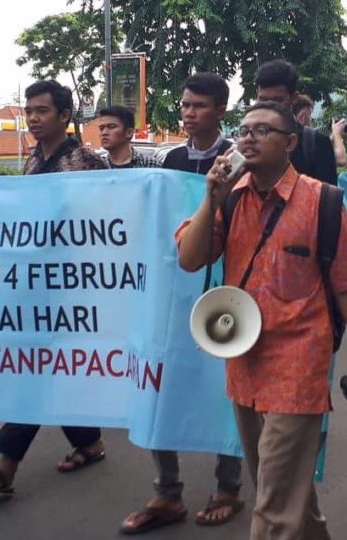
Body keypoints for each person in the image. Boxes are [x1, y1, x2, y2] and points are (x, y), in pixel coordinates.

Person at [176, 100, 347, 540]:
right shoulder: (229, 198)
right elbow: (190, 258)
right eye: (244, 130)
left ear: (290, 142)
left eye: (262, 130)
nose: (248, 137)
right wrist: (209, 197)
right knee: (284, 489)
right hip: (245, 363)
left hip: (299, 366)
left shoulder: (321, 202)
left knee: (271, 506)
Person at [0, 80, 107, 494]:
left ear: (65, 116)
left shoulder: (86, 163)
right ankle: (90, 442)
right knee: (51, 369)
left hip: (74, 291)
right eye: (29, 110)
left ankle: (6, 464)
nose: (32, 118)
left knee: (38, 371)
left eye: (41, 111)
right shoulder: (31, 163)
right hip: (33, 287)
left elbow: (107, 221)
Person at [121, 72, 245, 535]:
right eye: (185, 104)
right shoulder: (168, 158)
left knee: (226, 385)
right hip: (172, 288)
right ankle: (166, 493)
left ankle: (228, 488)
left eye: (198, 105)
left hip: (225, 288)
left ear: (220, 110)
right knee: (162, 383)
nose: (189, 112)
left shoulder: (238, 159)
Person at [255, 60, 339, 185]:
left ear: (294, 98)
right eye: (263, 100)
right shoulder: (250, 141)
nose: (269, 107)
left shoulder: (316, 142)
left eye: (277, 100)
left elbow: (328, 198)